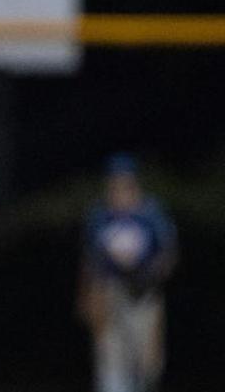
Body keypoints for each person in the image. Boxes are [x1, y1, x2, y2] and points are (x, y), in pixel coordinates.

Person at [77, 154, 178, 392]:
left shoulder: (152, 213)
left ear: (134, 184)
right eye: (113, 183)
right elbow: (89, 260)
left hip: (144, 295)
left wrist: (150, 272)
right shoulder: (99, 215)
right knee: (110, 363)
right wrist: (86, 295)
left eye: (124, 183)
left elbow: (169, 255)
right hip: (109, 292)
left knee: (147, 367)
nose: (118, 189)